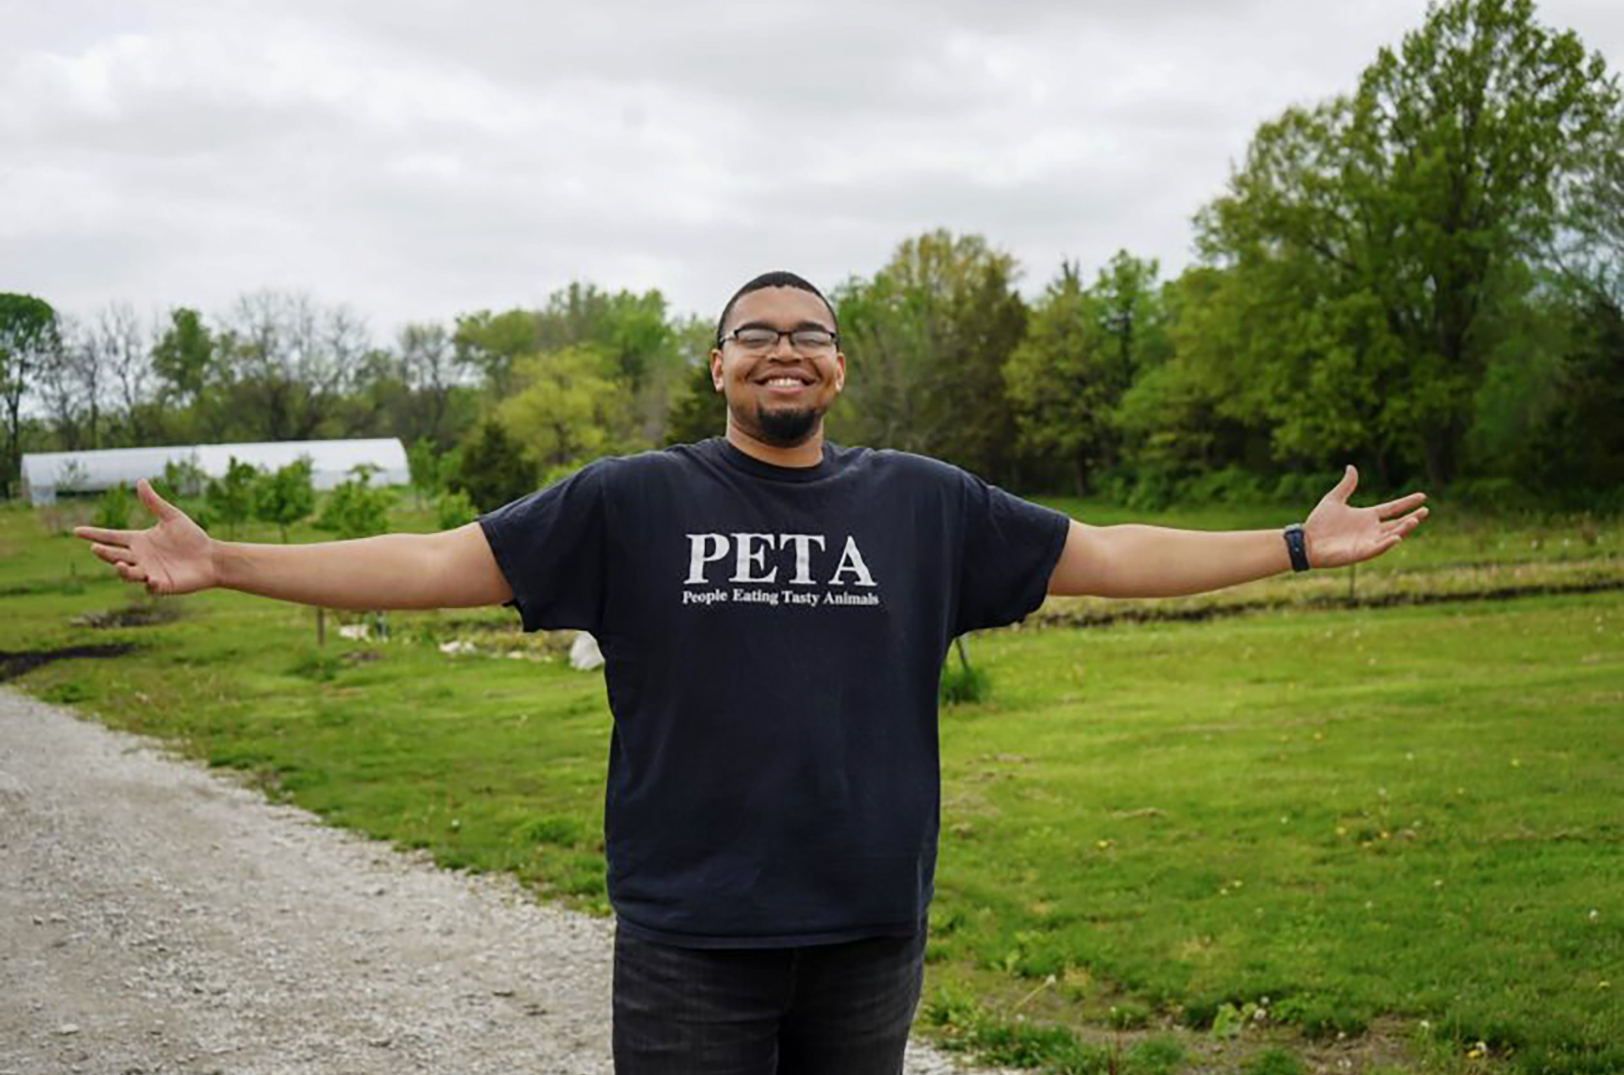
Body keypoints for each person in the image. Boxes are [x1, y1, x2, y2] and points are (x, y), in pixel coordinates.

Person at [76, 270, 1428, 1074]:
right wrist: (232, 561)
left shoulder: (927, 505)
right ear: (718, 364)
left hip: (868, 928)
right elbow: (433, 563)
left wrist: (1293, 546)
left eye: (812, 332)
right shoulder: (629, 500)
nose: (785, 347)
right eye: (756, 332)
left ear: (840, 367)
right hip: (691, 935)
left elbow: (1113, 552)